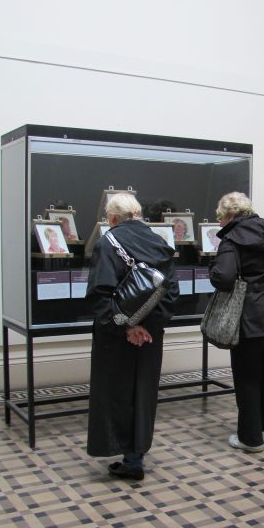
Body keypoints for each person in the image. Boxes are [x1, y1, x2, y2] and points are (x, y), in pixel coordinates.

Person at [85, 192, 180, 480]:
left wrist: (128, 327)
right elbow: (171, 293)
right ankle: (135, 457)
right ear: (138, 214)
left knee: (115, 394)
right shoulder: (159, 243)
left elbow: (100, 294)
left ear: (112, 218)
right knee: (143, 394)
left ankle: (124, 454)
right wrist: (147, 327)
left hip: (116, 337)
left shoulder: (107, 243)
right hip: (150, 337)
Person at [209, 192, 264, 452]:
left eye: (220, 217)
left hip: (251, 315)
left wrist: (211, 270)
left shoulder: (232, 239)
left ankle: (250, 438)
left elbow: (224, 278)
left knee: (247, 375)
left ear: (228, 215)